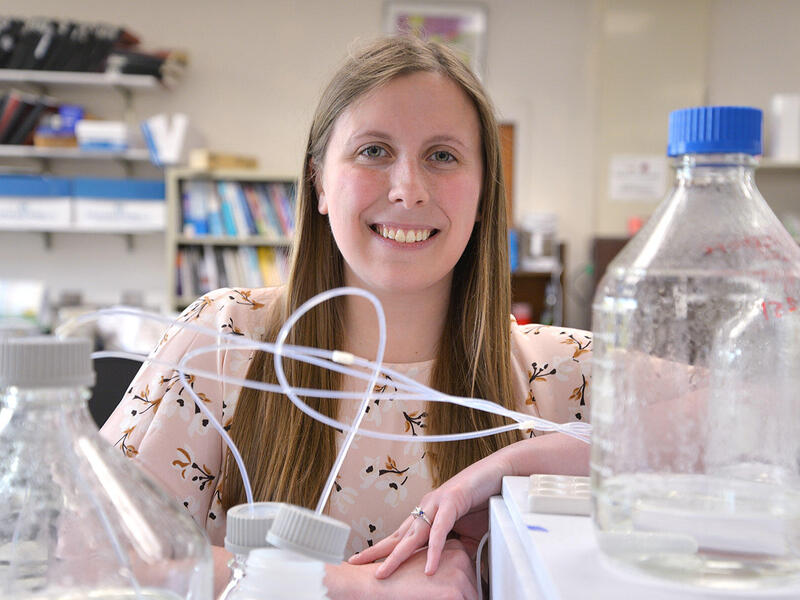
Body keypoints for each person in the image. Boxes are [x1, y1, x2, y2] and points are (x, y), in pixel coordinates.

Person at [100, 34, 591, 598]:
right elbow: (89, 550)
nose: (408, 190)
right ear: (319, 182)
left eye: (443, 155)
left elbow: (712, 448)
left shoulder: (563, 370)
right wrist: (354, 586)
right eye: (373, 151)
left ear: (484, 197)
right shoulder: (222, 340)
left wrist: (514, 466)